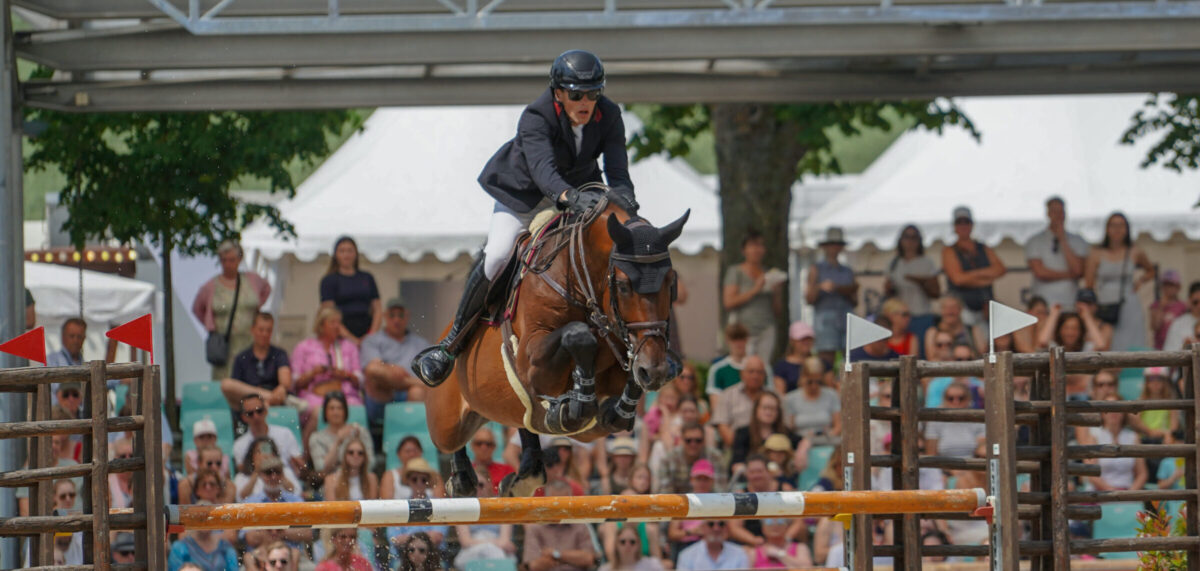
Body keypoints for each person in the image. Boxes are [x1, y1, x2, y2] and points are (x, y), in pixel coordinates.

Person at [414, 49, 637, 386]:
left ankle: (632, 341)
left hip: (580, 194)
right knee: (499, 255)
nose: (586, 102)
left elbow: (618, 171)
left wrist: (625, 204)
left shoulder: (610, 114)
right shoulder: (537, 115)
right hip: (525, 196)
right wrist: (570, 197)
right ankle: (450, 345)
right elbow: (544, 173)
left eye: (593, 93)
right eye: (576, 94)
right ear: (558, 93)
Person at [193, 240, 272, 380]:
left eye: (231, 260)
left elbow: (266, 289)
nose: (228, 264)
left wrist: (257, 310)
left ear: (239, 260)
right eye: (224, 260)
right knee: (225, 383)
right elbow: (197, 308)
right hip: (225, 346)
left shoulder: (252, 279)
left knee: (250, 381)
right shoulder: (211, 286)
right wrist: (211, 325)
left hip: (250, 342)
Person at [1085, 212, 1154, 350]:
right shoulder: (1096, 253)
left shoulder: (1135, 251)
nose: (1117, 229)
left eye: (1121, 225)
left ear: (1127, 229)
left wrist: (1140, 281)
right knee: (1106, 344)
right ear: (1107, 228)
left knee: (1132, 342)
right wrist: (1092, 311)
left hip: (1129, 304)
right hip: (1105, 305)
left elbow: (1151, 270)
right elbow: (1089, 285)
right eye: (1113, 225)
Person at [290, 307, 364, 435]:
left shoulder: (348, 347)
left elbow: (360, 381)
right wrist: (313, 373)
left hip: (345, 395)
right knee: (318, 411)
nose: (337, 326)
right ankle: (305, 452)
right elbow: (294, 383)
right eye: (332, 322)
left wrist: (345, 374)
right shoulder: (304, 347)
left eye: (338, 323)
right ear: (321, 325)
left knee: (356, 409)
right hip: (314, 396)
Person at [361, 299, 428, 427]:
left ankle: (413, 434)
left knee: (417, 392)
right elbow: (372, 369)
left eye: (400, 315)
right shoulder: (372, 340)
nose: (396, 320)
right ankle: (409, 383)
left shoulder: (421, 344)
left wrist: (396, 379)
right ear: (385, 316)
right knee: (375, 374)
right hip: (382, 396)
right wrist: (391, 369)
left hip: (411, 395)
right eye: (392, 315)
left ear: (407, 316)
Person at [723, 229, 785, 362]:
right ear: (744, 250)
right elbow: (728, 302)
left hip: (767, 327)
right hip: (743, 330)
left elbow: (777, 311)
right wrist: (755, 289)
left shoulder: (769, 273)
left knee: (762, 366)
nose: (757, 250)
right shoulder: (736, 272)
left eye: (760, 245)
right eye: (753, 246)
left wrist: (777, 293)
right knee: (744, 366)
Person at [942, 206, 1006, 325]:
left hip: (985, 307)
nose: (963, 226)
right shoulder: (949, 250)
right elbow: (958, 279)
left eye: (966, 222)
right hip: (963, 309)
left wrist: (970, 275)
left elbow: (1000, 269)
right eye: (959, 222)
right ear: (954, 226)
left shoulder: (983, 247)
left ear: (972, 225)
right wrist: (985, 277)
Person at [221, 312, 296, 412]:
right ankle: (264, 401)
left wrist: (281, 389)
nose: (264, 334)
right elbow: (235, 388)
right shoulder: (241, 357)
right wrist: (268, 396)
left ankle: (264, 404)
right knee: (226, 384)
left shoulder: (279, 354)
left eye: (268, 330)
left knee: (282, 390)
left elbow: (285, 381)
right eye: (261, 330)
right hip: (250, 403)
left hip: (275, 402)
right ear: (252, 330)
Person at [806, 227, 858, 364]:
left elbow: (855, 299)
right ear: (825, 247)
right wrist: (819, 287)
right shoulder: (816, 268)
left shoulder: (847, 270)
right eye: (832, 244)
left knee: (849, 358)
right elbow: (809, 298)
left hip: (845, 316)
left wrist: (839, 289)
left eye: (837, 245)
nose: (835, 248)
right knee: (826, 358)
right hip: (825, 319)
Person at [1026, 196, 1090, 308]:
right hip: (1043, 303)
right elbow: (1040, 272)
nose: (1058, 215)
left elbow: (1078, 270)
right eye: (1054, 211)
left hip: (1070, 301)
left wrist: (1063, 240)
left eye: (1061, 211)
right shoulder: (1034, 241)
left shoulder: (1078, 240)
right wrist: (1069, 274)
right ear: (1048, 214)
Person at [521, 479, 599, 571]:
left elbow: (589, 559)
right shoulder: (535, 528)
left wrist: (556, 554)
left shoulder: (580, 526)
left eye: (563, 502)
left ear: (571, 501)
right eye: (555, 502)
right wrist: (574, 557)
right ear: (546, 501)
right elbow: (533, 566)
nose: (559, 507)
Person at [884, 224, 940, 348]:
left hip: (922, 315)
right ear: (900, 240)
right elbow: (888, 292)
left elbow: (936, 293)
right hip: (899, 317)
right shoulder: (894, 262)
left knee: (922, 354)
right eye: (906, 237)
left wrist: (920, 281)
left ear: (919, 240)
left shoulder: (927, 262)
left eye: (914, 237)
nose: (910, 241)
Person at [231, 395, 305, 486]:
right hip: (256, 485)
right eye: (250, 413)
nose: (256, 416)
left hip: (284, 481)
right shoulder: (239, 444)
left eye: (259, 411)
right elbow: (244, 473)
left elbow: (299, 466)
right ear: (243, 417)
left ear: (266, 411)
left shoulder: (285, 433)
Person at [320, 236, 381, 344]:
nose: (346, 255)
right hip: (340, 334)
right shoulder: (329, 281)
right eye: (342, 251)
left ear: (356, 254)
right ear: (336, 255)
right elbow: (329, 313)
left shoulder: (367, 278)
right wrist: (352, 340)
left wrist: (371, 335)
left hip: (367, 333)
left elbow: (377, 309)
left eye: (350, 251)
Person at [1080, 395, 1148, 491]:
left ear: (1123, 413)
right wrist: (1113, 493)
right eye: (1109, 408)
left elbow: (1142, 474)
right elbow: (1091, 475)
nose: (1113, 412)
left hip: (1128, 493)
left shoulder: (1133, 437)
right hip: (1099, 494)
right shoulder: (1093, 436)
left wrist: (1129, 494)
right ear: (1102, 413)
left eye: (1117, 408)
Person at [454, 468, 518, 568]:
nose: (476, 489)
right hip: (473, 551)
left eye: (480, 484)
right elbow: (465, 541)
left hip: (497, 550)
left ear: (489, 484)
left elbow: (504, 540)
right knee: (492, 552)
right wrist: (489, 544)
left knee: (494, 553)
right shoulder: (462, 505)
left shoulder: (502, 505)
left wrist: (488, 544)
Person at [307, 391, 374, 483]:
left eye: (340, 408)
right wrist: (338, 441)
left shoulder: (360, 431)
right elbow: (321, 468)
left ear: (345, 411)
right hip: (331, 483)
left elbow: (371, 462)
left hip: (359, 480)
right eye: (332, 408)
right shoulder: (316, 438)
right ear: (325, 412)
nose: (336, 412)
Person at [711, 355, 770, 447]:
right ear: (742, 374)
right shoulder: (727, 395)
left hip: (769, 449)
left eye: (759, 372)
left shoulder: (773, 398)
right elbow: (722, 426)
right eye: (751, 371)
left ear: (764, 375)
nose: (755, 376)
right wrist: (739, 449)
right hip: (736, 448)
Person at [653, 422, 728, 494]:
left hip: (708, 503)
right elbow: (666, 493)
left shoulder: (716, 457)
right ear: (681, 440)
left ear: (704, 440)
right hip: (678, 504)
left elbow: (720, 492)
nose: (693, 444)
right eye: (688, 440)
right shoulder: (668, 460)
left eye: (698, 440)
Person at [666, 460, 717, 556]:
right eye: (699, 479)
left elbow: (727, 531)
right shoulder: (682, 501)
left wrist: (709, 531)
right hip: (686, 545)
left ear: (712, 481)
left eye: (705, 479)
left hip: (712, 545)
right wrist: (692, 532)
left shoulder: (719, 502)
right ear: (691, 480)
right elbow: (672, 533)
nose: (702, 483)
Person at [783, 357, 842, 437]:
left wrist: (826, 436)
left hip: (826, 442)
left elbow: (838, 426)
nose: (814, 386)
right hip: (800, 443)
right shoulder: (790, 398)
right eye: (810, 382)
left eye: (818, 382)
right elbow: (789, 428)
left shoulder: (831, 395)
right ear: (802, 377)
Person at [168, 507, 240, 571]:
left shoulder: (225, 547)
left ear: (215, 521)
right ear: (193, 520)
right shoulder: (179, 547)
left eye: (209, 518)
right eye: (200, 518)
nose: (205, 522)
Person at [707, 323, 750, 412]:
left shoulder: (760, 368)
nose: (738, 343)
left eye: (741, 338)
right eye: (734, 339)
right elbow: (715, 405)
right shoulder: (717, 369)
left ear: (746, 340)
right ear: (727, 341)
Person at [676, 520, 750, 570]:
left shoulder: (739, 553)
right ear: (702, 528)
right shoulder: (687, 555)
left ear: (726, 528)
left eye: (721, 524)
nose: (716, 528)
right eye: (711, 524)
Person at [748, 517, 813, 568]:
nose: (775, 525)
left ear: (786, 527)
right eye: (769, 522)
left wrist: (780, 554)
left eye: (780, 522)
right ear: (763, 528)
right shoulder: (754, 552)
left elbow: (808, 568)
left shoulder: (800, 548)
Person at [469, 426, 515, 496]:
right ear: (472, 446)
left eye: (488, 444)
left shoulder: (507, 471)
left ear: (494, 447)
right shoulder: (463, 471)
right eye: (479, 443)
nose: (483, 447)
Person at [47, 318, 87, 399]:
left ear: (84, 338)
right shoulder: (51, 361)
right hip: (56, 411)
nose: (75, 340)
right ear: (63, 337)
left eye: (79, 337)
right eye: (72, 336)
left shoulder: (84, 364)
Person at [773, 321, 816, 395]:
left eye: (808, 339)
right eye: (802, 339)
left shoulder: (822, 363)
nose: (806, 342)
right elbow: (780, 394)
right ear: (792, 341)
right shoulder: (781, 366)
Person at [380, 435, 427, 501]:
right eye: (407, 451)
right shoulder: (390, 476)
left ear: (421, 452)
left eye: (415, 451)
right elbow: (386, 505)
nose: (412, 454)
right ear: (399, 454)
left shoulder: (435, 475)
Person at [1150, 269, 1188, 350]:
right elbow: (1155, 326)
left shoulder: (1183, 306)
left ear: (1178, 287)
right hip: (1159, 347)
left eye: (1171, 285)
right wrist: (1161, 307)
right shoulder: (1156, 305)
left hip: (1177, 346)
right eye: (1165, 285)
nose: (1168, 288)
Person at [1162, 281, 1200, 352]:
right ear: (1189, 301)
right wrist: (1185, 348)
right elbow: (1169, 353)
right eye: (1195, 302)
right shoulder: (1178, 324)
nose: (1199, 306)